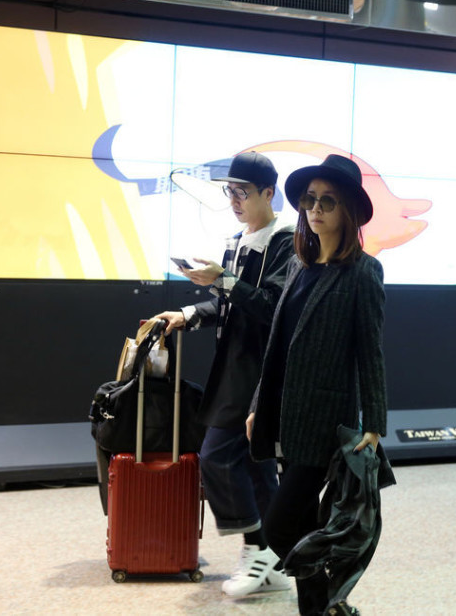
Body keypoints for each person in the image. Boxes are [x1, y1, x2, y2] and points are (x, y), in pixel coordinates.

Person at [246, 154, 388, 616]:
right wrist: (257, 404)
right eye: (310, 200)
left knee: (279, 528)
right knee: (304, 522)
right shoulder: (298, 266)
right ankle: (324, 609)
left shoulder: (363, 271)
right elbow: (278, 345)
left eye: (328, 201)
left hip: (326, 420)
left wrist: (374, 422)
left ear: (349, 210)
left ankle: (329, 595)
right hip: (284, 414)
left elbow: (370, 350)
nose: (315, 209)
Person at [152, 151, 295, 597]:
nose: (234, 200)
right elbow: (233, 303)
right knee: (257, 466)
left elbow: (272, 308)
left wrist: (222, 280)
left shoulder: (286, 241)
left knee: (217, 455)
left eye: (242, 192)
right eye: (229, 192)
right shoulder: (239, 240)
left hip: (260, 368)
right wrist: (190, 313)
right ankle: (273, 559)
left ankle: (257, 550)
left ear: (268, 193)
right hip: (233, 363)